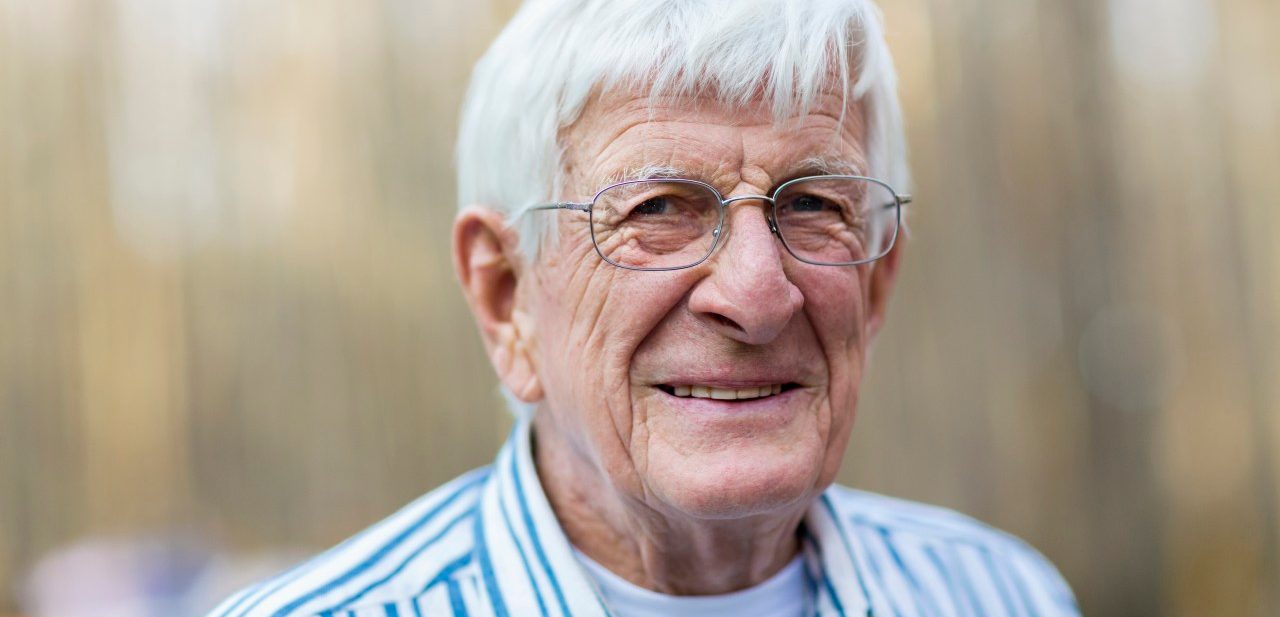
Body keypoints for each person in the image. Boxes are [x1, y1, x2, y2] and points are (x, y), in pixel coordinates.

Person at [208, 0, 1080, 615]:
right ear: (505, 295)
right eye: (657, 209)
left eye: (815, 204)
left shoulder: (1004, 595)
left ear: (876, 281)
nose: (756, 293)